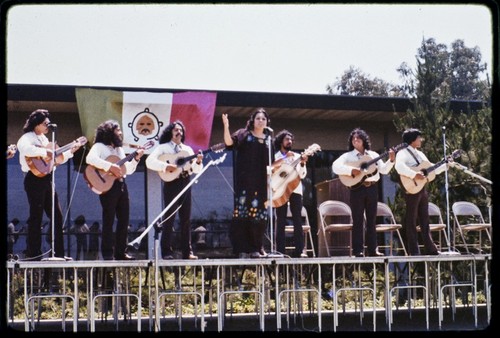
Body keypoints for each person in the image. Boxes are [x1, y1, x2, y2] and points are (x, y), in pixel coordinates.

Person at [16, 109, 83, 260]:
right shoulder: (27, 137)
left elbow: (56, 159)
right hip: (33, 178)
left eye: (48, 123)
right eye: (45, 123)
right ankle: (34, 253)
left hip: (47, 179)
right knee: (36, 216)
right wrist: (44, 152)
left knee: (57, 216)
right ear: (36, 124)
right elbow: (25, 148)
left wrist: (71, 151)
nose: (48, 126)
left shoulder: (46, 140)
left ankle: (58, 252)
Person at [331, 128, 395, 257]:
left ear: (364, 140)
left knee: (371, 220)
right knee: (358, 219)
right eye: (353, 138)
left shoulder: (373, 155)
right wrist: (351, 171)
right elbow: (335, 166)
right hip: (357, 189)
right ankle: (358, 250)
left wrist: (391, 160)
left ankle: (373, 250)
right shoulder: (348, 156)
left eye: (358, 138)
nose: (355, 140)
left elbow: (383, 170)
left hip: (372, 188)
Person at [86, 120, 144, 260]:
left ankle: (120, 252)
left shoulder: (119, 150)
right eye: (118, 131)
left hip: (121, 185)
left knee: (124, 219)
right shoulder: (99, 146)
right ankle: (107, 253)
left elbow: (126, 170)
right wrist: (109, 167)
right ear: (110, 133)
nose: (121, 133)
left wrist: (136, 159)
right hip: (107, 186)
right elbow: (90, 158)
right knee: (109, 219)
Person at [145, 120, 203, 260]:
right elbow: (149, 161)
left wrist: (199, 161)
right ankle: (166, 252)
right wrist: (165, 167)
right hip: (172, 183)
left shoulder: (187, 150)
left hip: (185, 182)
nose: (179, 132)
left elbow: (195, 169)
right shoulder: (163, 148)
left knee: (186, 219)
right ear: (170, 132)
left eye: (181, 130)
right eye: (176, 130)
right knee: (169, 217)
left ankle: (187, 252)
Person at [222, 108, 275, 258]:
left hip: (262, 182)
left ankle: (257, 247)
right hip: (245, 181)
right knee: (244, 214)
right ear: (252, 120)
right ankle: (243, 248)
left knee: (260, 217)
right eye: (258, 118)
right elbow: (229, 143)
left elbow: (272, 163)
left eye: (263, 119)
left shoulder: (269, 140)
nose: (261, 121)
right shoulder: (244, 134)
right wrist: (226, 126)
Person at [394, 128, 445, 256]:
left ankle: (431, 248)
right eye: (418, 138)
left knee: (424, 218)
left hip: (421, 188)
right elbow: (399, 167)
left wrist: (445, 165)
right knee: (411, 219)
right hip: (411, 188)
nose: (420, 140)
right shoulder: (402, 153)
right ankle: (413, 250)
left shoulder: (420, 154)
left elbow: (431, 168)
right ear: (412, 140)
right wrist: (414, 174)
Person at [272, 130, 308, 258]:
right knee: (280, 220)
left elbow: (302, 175)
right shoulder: (275, 156)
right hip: (280, 190)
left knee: (297, 219)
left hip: (295, 190)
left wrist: (303, 163)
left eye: (291, 140)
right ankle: (280, 251)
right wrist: (285, 158)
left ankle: (300, 250)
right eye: (287, 139)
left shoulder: (298, 157)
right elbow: (270, 169)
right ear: (281, 141)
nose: (290, 142)